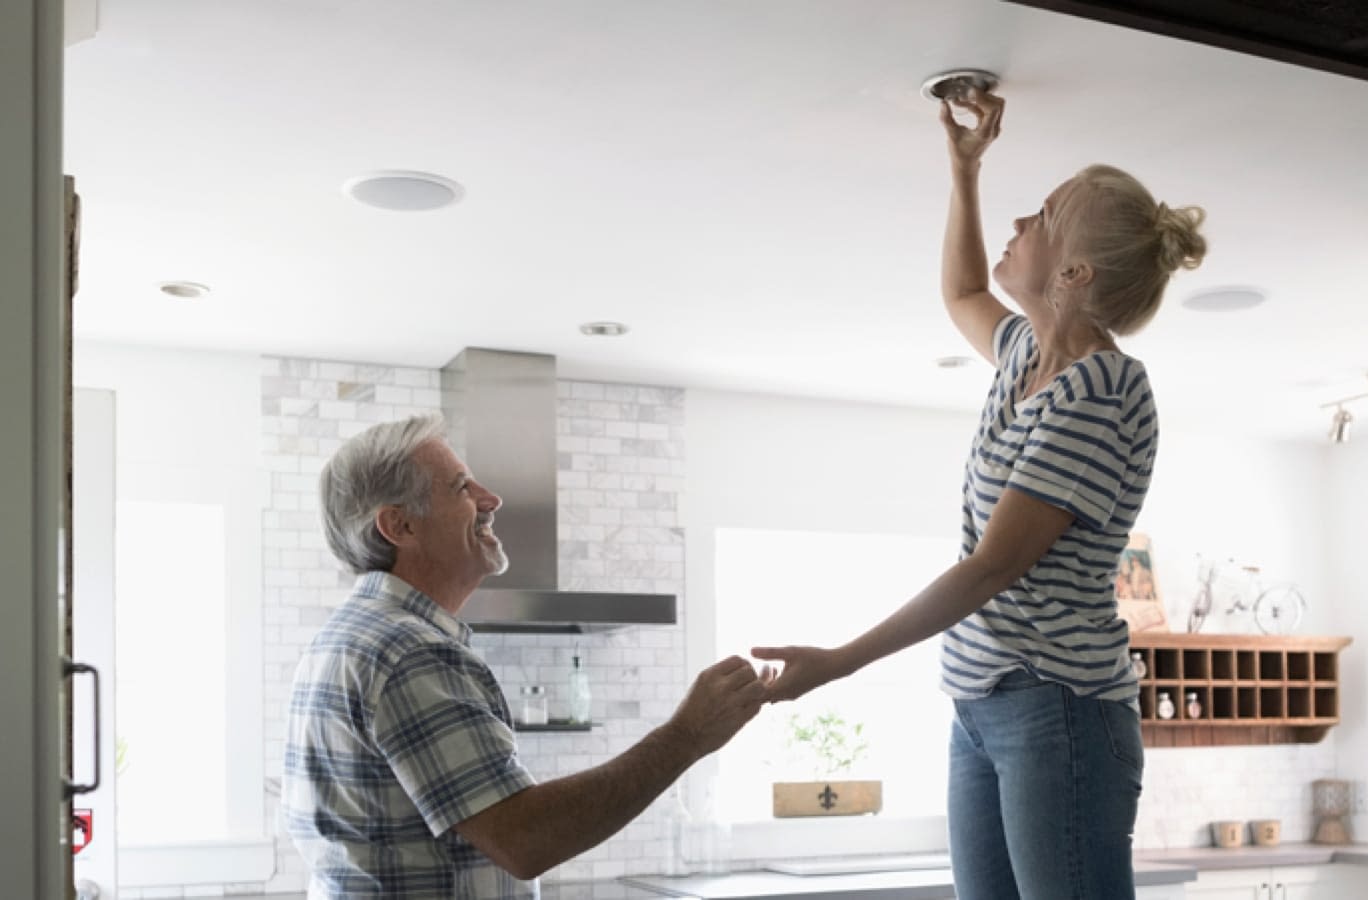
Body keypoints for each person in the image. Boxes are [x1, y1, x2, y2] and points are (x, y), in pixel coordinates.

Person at [753, 89, 1206, 899]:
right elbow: (964, 293)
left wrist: (839, 663)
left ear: (1072, 274)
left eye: (1040, 216)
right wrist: (965, 172)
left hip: (1056, 707)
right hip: (982, 703)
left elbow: (991, 568)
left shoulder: (1101, 390)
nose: (1019, 225)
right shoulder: (1024, 356)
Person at [282, 414, 766, 898]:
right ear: (400, 525)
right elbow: (523, 839)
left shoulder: (350, 635)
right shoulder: (410, 651)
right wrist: (687, 736)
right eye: (461, 488)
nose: (491, 500)